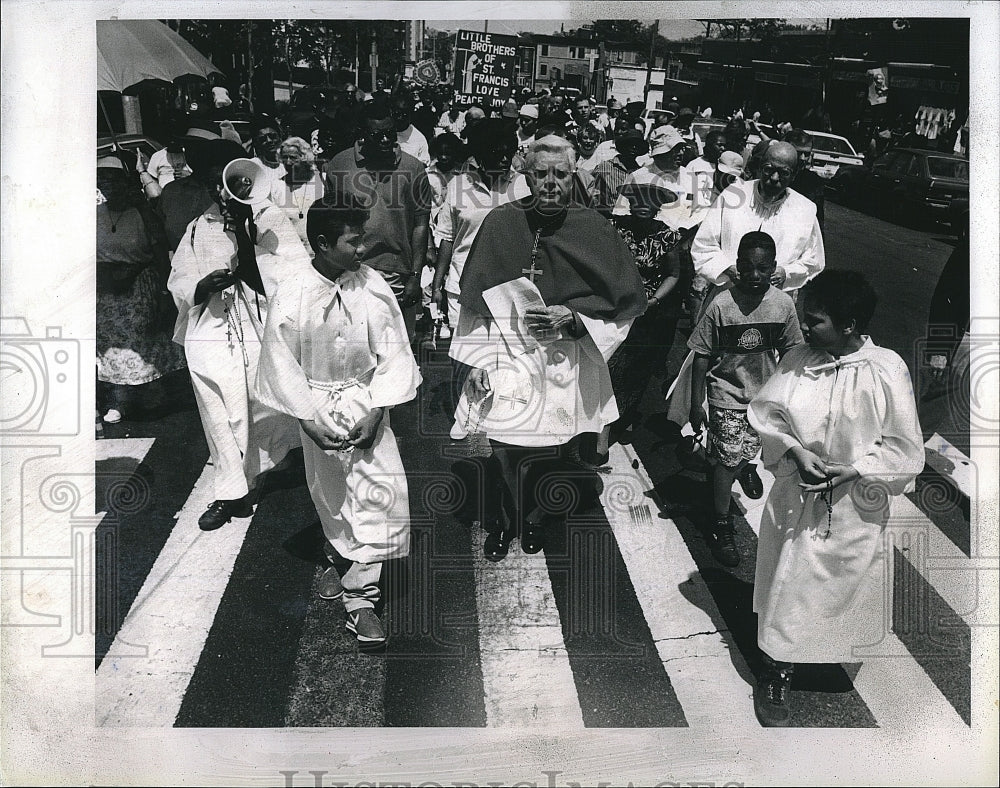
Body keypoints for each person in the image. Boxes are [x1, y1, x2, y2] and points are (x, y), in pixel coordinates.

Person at [450, 135, 646, 560]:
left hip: (566, 357)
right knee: (502, 442)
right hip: (507, 352)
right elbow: (475, 302)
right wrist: (477, 361)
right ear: (526, 173)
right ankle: (504, 517)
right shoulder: (501, 222)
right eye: (541, 173)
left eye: (560, 173)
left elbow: (624, 307)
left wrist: (575, 318)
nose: (551, 182)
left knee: (556, 445)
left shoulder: (594, 227)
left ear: (573, 174)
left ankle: (536, 516)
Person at [747, 270, 924, 726]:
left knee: (843, 583)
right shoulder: (798, 359)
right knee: (790, 581)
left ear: (849, 325)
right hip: (800, 492)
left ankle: (821, 651)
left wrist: (857, 470)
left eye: (815, 321)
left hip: (856, 504)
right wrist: (795, 450)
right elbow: (767, 414)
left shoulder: (885, 368)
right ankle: (777, 669)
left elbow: (905, 447)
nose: (805, 328)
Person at [255, 193, 421, 650]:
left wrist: (377, 408)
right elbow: (280, 362)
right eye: (354, 241)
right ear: (323, 244)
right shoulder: (293, 292)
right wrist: (307, 419)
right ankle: (338, 552)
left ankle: (360, 600)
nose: (363, 249)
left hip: (367, 401)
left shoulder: (371, 285)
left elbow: (394, 351)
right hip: (318, 405)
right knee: (332, 493)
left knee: (380, 492)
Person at [168, 144, 311, 531]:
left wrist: (247, 234)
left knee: (265, 401)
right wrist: (200, 285)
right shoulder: (200, 226)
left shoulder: (269, 219)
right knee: (217, 407)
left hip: (259, 325)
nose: (221, 192)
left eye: (228, 183)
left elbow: (291, 274)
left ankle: (288, 458)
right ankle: (230, 490)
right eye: (214, 185)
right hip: (213, 327)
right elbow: (180, 277)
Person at [688, 231, 804, 568]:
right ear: (737, 266)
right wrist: (698, 404)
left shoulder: (783, 304)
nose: (755, 276)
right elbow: (701, 355)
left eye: (763, 269)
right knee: (727, 459)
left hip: (763, 398)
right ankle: (721, 522)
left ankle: (739, 466)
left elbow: (793, 351)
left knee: (745, 451)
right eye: (748, 268)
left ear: (774, 269)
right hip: (726, 393)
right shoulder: (722, 304)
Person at [431, 120, 530, 400]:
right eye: (495, 151)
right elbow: (447, 239)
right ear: (478, 154)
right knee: (467, 358)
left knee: (504, 364)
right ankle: (466, 428)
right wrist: (437, 287)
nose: (503, 158)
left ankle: (492, 429)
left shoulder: (524, 187)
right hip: (462, 289)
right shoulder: (458, 186)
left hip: (508, 290)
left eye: (507, 152)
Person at [324, 94, 433, 343]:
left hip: (396, 272)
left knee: (395, 349)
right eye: (377, 135)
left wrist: (415, 277)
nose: (386, 140)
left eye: (391, 133)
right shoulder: (339, 165)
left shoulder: (413, 168)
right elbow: (330, 221)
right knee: (352, 346)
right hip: (349, 270)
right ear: (362, 133)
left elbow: (420, 224)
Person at [97, 154, 187, 423]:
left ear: (126, 182)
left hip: (138, 282)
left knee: (141, 335)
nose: (108, 184)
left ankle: (151, 389)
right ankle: (120, 399)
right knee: (110, 344)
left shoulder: (142, 213)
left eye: (114, 179)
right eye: (102, 179)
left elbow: (159, 250)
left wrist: (162, 289)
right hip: (107, 285)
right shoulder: (94, 214)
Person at [606, 183, 687, 440]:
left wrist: (654, 300)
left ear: (658, 207)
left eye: (649, 202)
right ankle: (602, 417)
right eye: (637, 200)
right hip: (613, 305)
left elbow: (674, 274)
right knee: (608, 361)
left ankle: (625, 414)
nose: (643, 205)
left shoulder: (667, 237)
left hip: (646, 311)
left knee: (635, 367)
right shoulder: (614, 227)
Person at [271, 136, 326, 250]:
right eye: (284, 158)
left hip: (318, 249)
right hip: (289, 249)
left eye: (293, 158)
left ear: (305, 158)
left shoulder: (321, 181)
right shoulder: (277, 186)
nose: (288, 162)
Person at [590, 125, 649, 217]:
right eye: (630, 143)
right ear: (624, 145)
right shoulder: (605, 167)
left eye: (637, 145)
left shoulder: (641, 173)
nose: (633, 147)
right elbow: (593, 199)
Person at [784, 129, 826, 233]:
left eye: (806, 154)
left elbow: (817, 222)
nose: (803, 158)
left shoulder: (815, 183)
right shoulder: (772, 175)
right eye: (798, 152)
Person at [686, 130, 727, 207]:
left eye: (724, 145)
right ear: (709, 145)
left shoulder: (724, 167)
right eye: (719, 145)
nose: (723, 148)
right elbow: (688, 192)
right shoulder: (694, 165)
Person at [249, 116, 287, 195]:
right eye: (263, 139)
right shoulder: (253, 165)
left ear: (280, 137)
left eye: (273, 136)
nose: (269, 141)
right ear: (256, 143)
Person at [392, 91, 431, 166]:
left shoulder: (419, 139)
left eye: (405, 114)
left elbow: (423, 165)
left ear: (411, 114)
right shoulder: (384, 134)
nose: (400, 118)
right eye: (397, 113)